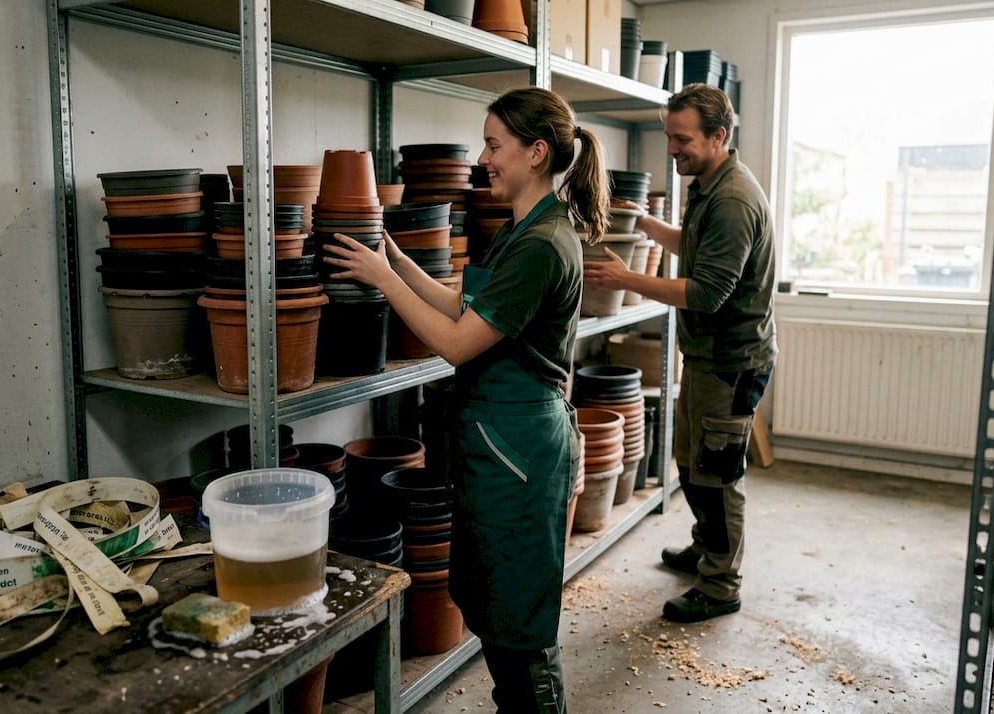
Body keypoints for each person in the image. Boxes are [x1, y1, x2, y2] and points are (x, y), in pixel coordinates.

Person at [323, 86, 608, 712]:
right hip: (499, 441)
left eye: (494, 144)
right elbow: (463, 302)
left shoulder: (541, 245)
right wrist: (396, 262)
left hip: (520, 449)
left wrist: (379, 281)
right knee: (494, 604)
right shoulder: (525, 229)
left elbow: (455, 342)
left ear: (536, 153)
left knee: (520, 628)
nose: (484, 158)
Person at [583, 82, 777, 624]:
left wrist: (626, 277)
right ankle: (706, 548)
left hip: (732, 361)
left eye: (682, 138)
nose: (672, 149)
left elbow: (708, 291)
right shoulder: (709, 184)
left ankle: (721, 585)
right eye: (669, 136)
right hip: (707, 355)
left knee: (717, 473)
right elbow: (695, 249)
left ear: (719, 135)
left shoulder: (735, 199)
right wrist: (644, 225)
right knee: (691, 463)